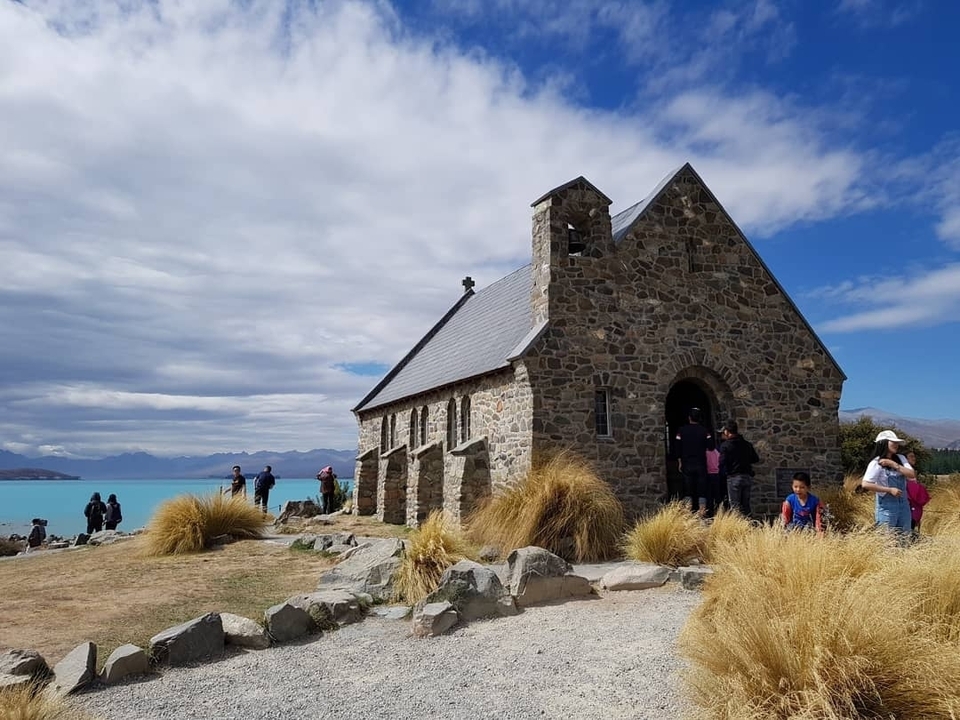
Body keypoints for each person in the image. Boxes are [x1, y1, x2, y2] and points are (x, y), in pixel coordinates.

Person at [861, 429, 915, 538]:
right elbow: (866, 484)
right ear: (884, 443)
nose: (896, 445)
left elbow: (911, 474)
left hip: (904, 505)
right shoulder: (876, 462)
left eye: (897, 442)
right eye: (893, 442)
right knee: (886, 539)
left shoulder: (901, 458)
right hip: (886, 506)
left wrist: (893, 464)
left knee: (905, 537)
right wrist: (889, 490)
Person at [672, 407, 714, 516]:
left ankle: (688, 513)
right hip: (701, 463)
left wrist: (679, 461)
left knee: (688, 489)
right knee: (702, 489)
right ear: (699, 418)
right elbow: (711, 446)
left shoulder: (681, 431)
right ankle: (702, 512)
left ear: (689, 418)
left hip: (687, 463)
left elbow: (677, 447)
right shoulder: (704, 431)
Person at [718, 419, 760, 517]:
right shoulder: (747, 444)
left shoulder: (725, 446)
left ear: (726, 431)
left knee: (735, 506)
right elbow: (755, 459)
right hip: (747, 476)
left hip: (733, 477)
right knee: (746, 505)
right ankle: (748, 523)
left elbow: (722, 462)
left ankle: (737, 525)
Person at [905, 451, 930, 538]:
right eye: (911, 456)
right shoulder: (904, 471)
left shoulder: (912, 471)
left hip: (914, 503)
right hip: (909, 503)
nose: (914, 459)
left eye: (914, 456)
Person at [705, 446, 722, 516]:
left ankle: (710, 512)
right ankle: (719, 511)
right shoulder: (717, 452)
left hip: (708, 474)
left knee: (709, 495)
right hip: (717, 474)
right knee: (717, 494)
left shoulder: (705, 453)